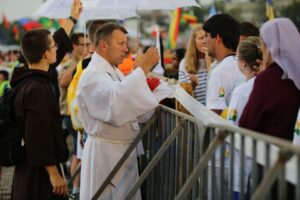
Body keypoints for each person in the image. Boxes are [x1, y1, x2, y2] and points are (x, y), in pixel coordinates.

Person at [77, 23, 161, 200]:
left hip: (120, 149)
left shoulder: (113, 71)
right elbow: (115, 105)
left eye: (126, 43)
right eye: (121, 44)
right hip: (106, 152)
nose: (126, 48)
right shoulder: (92, 75)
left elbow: (130, 103)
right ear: (103, 45)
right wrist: (142, 69)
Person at [239, 18, 300, 141]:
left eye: (262, 43)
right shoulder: (295, 74)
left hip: (270, 153)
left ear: (268, 47)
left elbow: (247, 123)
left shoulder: (268, 79)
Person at [226, 36, 262, 199]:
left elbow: (231, 127)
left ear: (243, 62)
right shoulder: (268, 86)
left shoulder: (241, 91)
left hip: (243, 167)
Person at [204, 13, 245, 115]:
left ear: (218, 38)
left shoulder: (219, 71)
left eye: (206, 36)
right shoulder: (243, 64)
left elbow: (214, 113)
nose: (204, 41)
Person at [179, 24, 208, 105]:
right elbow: (182, 94)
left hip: (213, 112)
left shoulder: (215, 60)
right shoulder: (185, 63)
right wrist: (192, 86)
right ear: (194, 42)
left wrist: (209, 60)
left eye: (206, 37)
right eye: (200, 38)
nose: (204, 41)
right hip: (195, 112)